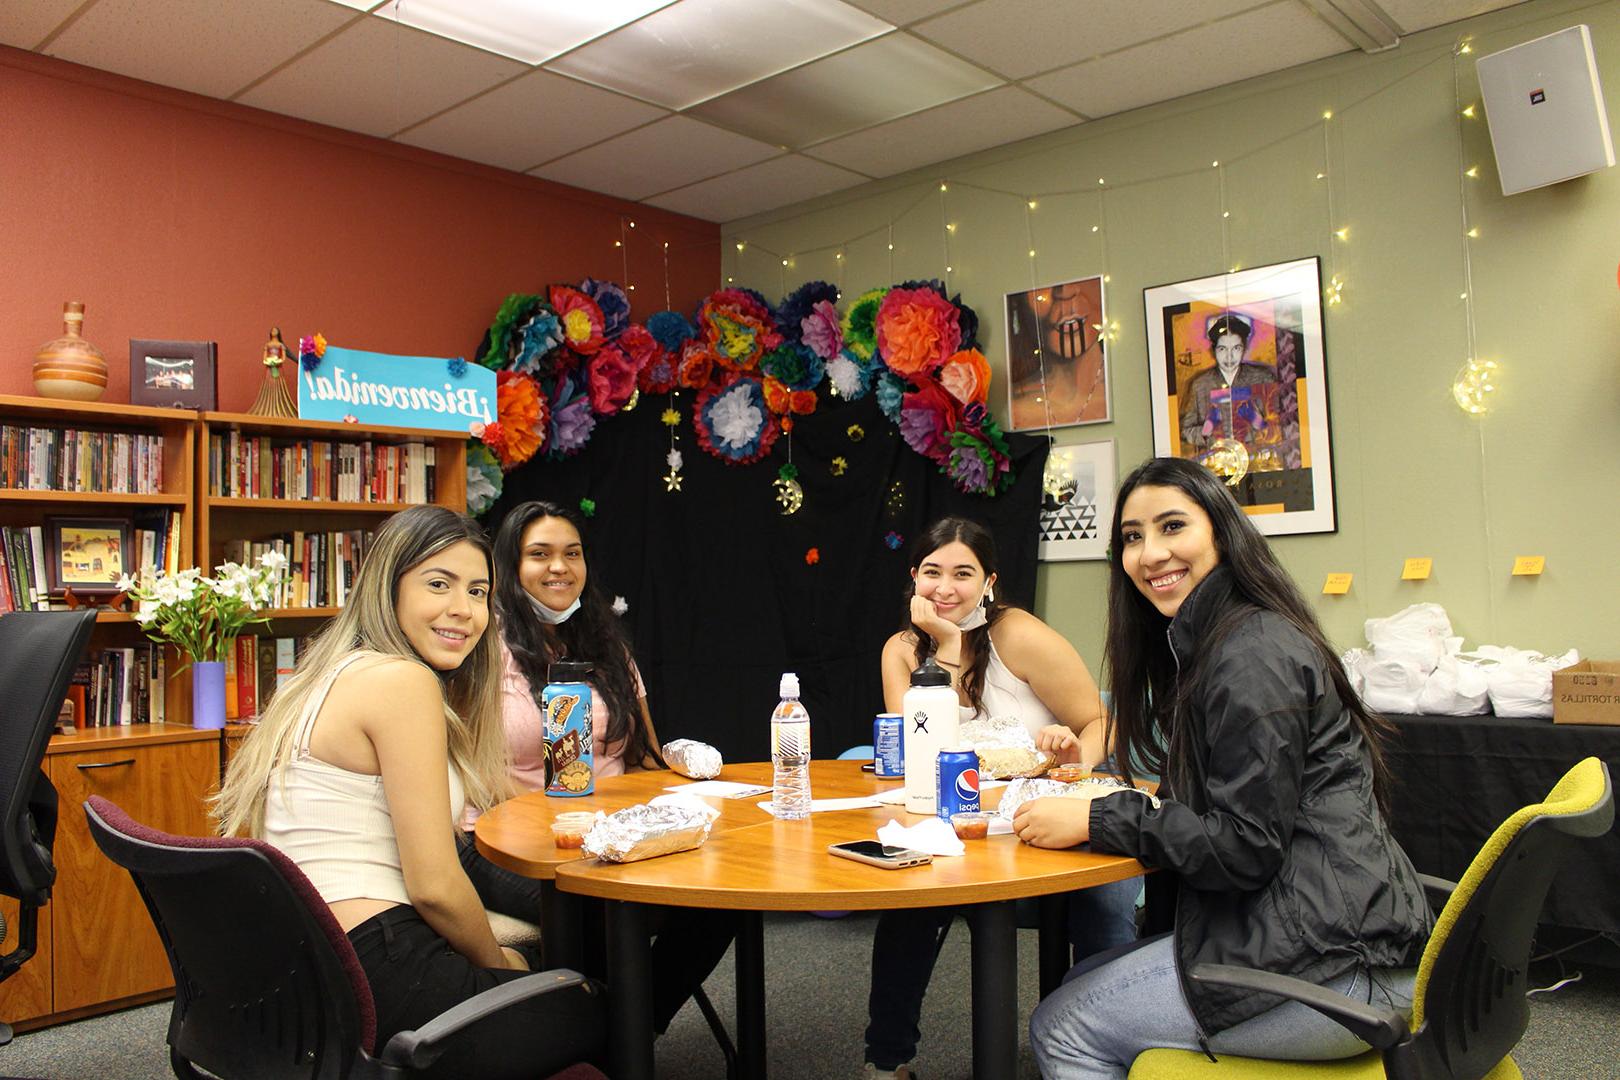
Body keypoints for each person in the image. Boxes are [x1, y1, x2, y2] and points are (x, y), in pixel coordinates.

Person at [1020, 457, 1432, 1078]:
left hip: (1341, 968)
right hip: (1342, 931)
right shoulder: (1225, 640)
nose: (1150, 553)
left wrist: (1100, 818)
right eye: (1132, 537)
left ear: (1220, 531)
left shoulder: (1250, 656)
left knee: (1064, 1026)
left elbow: (1245, 849)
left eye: (1172, 526)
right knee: (1083, 976)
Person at [213, 505, 601, 1079]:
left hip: (309, 974)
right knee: (606, 1005)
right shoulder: (402, 681)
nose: (462, 611)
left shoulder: (331, 673)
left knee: (561, 967)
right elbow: (436, 888)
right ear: (387, 585)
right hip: (380, 966)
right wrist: (500, 965)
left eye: (476, 591)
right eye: (438, 584)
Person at [863, 517, 1141, 1080]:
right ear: (913, 577)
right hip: (960, 819)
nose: (945, 588)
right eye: (933, 573)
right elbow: (918, 747)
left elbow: (1099, 721)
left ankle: (1104, 1048)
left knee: (1104, 900)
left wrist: (1073, 761)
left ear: (988, 581)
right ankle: (887, 1059)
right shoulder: (900, 648)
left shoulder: (1016, 633)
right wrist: (943, 645)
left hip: (1046, 808)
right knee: (909, 901)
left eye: (963, 574)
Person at [456, 498, 735, 1035]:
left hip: (608, 833)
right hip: (504, 840)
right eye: (539, 554)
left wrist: (694, 780)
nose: (559, 567)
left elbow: (649, 756)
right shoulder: (478, 648)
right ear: (509, 568)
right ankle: (605, 1039)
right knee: (600, 911)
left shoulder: (607, 646)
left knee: (717, 899)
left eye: (572, 554)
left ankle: (620, 1037)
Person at [1178, 312, 1277, 452]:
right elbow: (1185, 431)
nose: (1229, 356)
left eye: (1236, 348)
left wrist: (1257, 421)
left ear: (1244, 348)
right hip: (1215, 463)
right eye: (1222, 349)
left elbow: (1283, 428)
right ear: (1214, 351)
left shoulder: (1264, 378)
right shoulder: (1200, 385)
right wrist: (1207, 428)